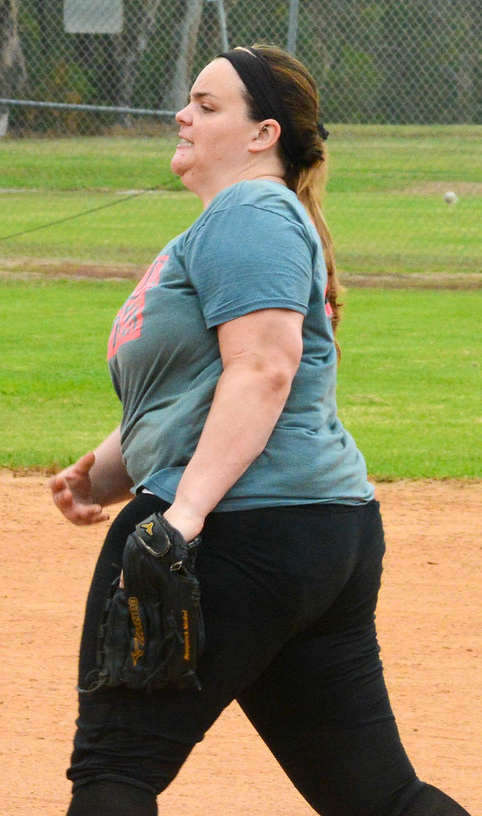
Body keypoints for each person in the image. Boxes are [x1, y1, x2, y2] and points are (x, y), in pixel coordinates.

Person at [48, 45, 473, 816]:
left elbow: (265, 370)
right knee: (378, 796)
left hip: (240, 531)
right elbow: (202, 387)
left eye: (208, 106)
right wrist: (108, 469)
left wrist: (181, 517)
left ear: (262, 134)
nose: (183, 114)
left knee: (116, 771)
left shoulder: (251, 212)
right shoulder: (245, 220)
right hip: (312, 533)